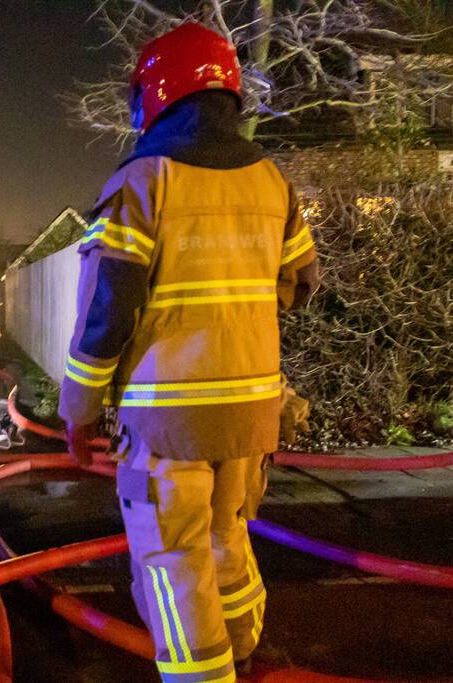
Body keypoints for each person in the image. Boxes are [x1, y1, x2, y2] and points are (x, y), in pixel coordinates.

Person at [58, 22, 320, 683]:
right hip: (251, 414)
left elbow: (104, 314)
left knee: (173, 559)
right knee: (227, 536)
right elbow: (301, 283)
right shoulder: (271, 182)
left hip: (166, 419)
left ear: (153, 95)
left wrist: (78, 408)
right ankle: (243, 650)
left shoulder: (140, 182)